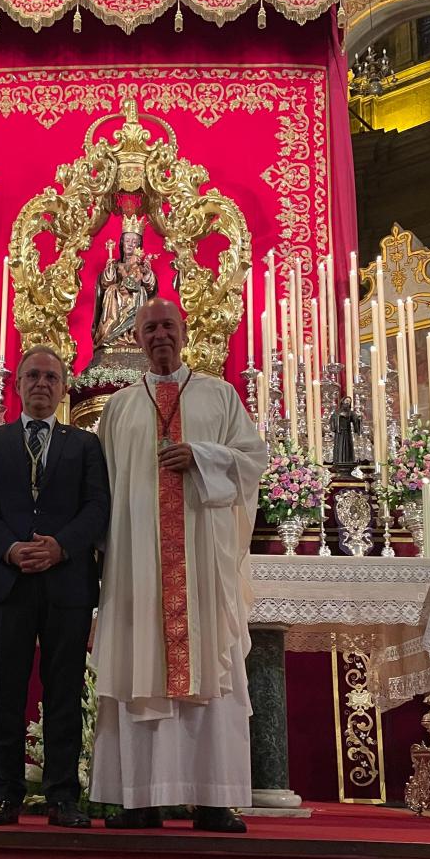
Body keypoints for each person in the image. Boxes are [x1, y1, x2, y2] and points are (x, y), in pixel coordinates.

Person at [90, 298, 267, 832]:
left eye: (168, 325)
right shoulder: (118, 408)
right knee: (138, 662)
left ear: (185, 331)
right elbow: (101, 490)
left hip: (203, 563)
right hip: (137, 566)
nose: (160, 334)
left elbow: (253, 460)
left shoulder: (220, 395)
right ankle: (138, 798)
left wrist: (203, 457)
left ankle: (213, 798)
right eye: (149, 327)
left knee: (211, 666)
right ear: (136, 336)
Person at [0, 345, 110, 828]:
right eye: (33, 376)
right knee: (3, 692)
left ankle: (62, 796)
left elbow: (97, 510)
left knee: (64, 691)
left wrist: (60, 547)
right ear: (18, 385)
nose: (42, 384)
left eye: (51, 377)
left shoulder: (86, 445)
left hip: (66, 583)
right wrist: (9, 547)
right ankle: (4, 792)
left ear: (64, 387)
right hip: (6, 582)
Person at [94, 225, 158, 351]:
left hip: (136, 294)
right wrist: (110, 268)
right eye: (127, 241)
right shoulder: (117, 264)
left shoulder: (141, 267)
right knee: (111, 289)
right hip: (116, 295)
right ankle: (111, 334)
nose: (130, 245)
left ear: (139, 245)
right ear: (122, 243)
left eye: (134, 242)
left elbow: (150, 286)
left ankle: (134, 334)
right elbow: (106, 282)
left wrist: (147, 273)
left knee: (141, 291)